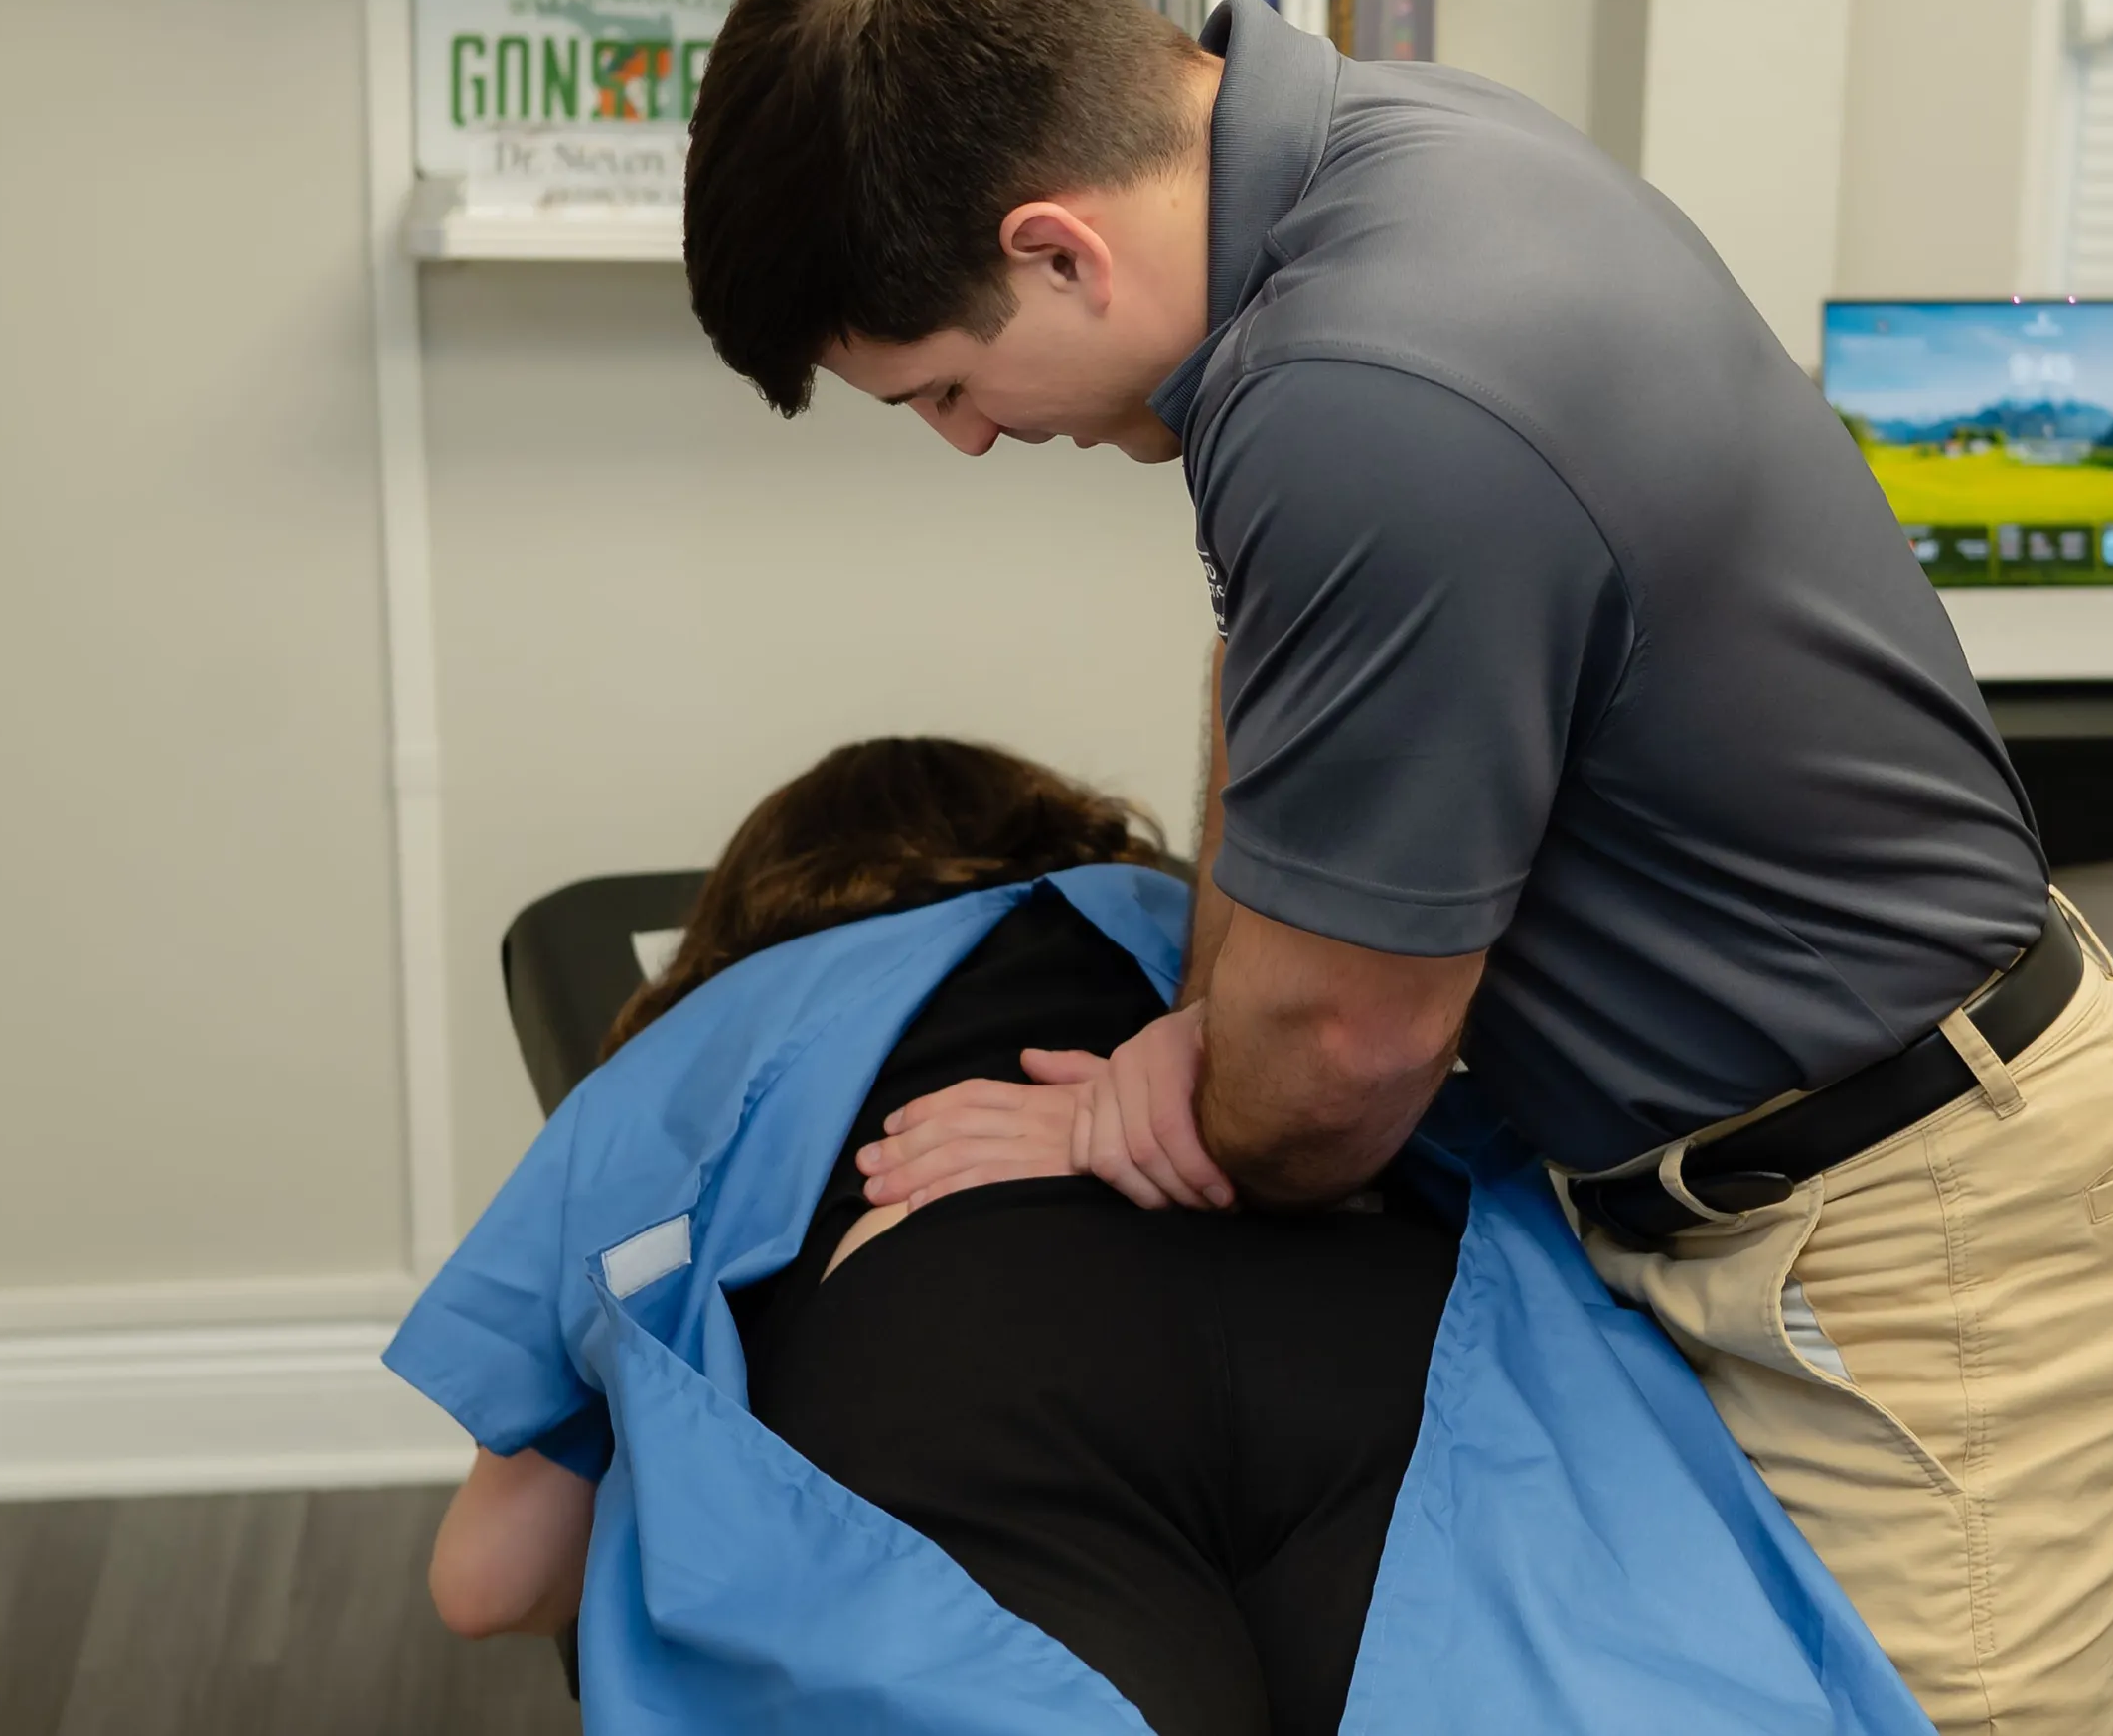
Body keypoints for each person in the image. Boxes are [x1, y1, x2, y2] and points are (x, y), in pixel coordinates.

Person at [680, 0, 2113, 1736]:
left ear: (1055, 250)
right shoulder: (1366, 165)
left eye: (941, 384)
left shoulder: (1360, 390)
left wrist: (1153, 1095)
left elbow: (1336, 1072)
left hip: (1929, 1244)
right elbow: (1281, 670)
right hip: (1775, 1173)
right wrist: (1207, 1018)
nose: (963, 438)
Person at [426, 739, 1456, 1736]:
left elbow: (487, 1581)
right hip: (1367, 1316)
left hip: (981, 1335)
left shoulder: (718, 1027)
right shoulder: (1203, 935)